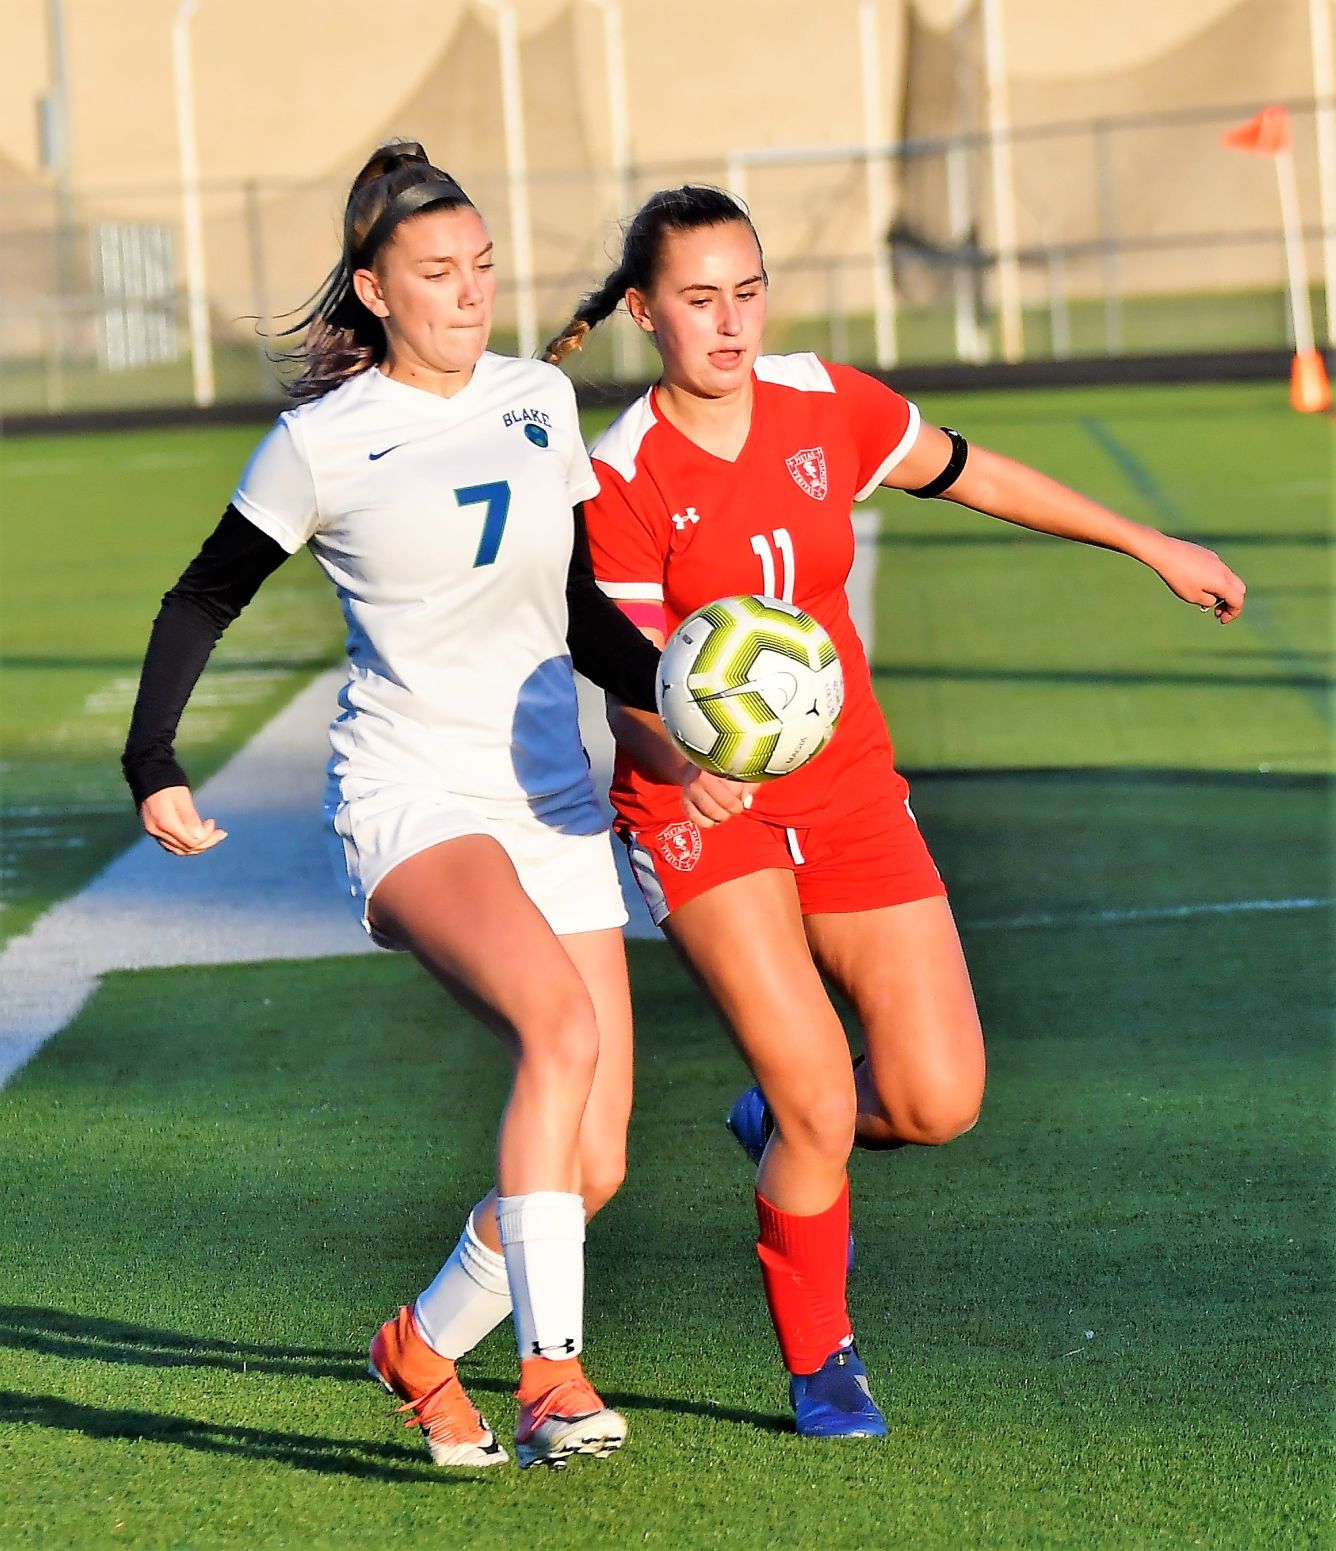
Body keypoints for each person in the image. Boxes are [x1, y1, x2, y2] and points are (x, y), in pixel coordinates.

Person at [543, 185, 1246, 1439]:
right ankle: (822, 1365)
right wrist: (682, 754)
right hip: (700, 811)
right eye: (699, 301)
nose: (730, 324)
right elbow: (625, 672)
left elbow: (970, 473)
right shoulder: (620, 474)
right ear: (645, 312)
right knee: (821, 1093)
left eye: (747, 293)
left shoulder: (827, 401)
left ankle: (780, 1122)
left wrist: (1148, 543)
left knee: (933, 1099)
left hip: (851, 787)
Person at [121, 143, 665, 1471]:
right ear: (373, 287)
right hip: (413, 786)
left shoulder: (539, 396)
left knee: (591, 1166)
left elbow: (578, 610)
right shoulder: (320, 441)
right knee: (559, 1019)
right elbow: (202, 596)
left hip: (551, 794)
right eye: (437, 272)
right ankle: (552, 1373)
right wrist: (154, 760)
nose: (469, 291)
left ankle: (419, 1349)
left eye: (482, 266)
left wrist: (681, 704)